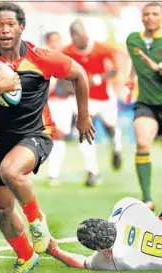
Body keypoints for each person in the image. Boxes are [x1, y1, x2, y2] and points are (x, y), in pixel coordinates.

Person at [0, 2, 94, 272]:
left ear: (21, 28)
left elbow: (80, 75)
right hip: (2, 139)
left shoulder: (42, 56)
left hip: (37, 134)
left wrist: (83, 116)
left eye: (10, 24)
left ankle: (37, 224)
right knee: (1, 209)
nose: (5, 29)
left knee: (10, 171)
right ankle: (26, 256)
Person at [125, 2, 162, 210]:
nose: (150, 17)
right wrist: (130, 78)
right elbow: (137, 63)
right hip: (146, 104)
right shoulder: (132, 40)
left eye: (155, 14)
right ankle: (147, 199)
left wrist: (159, 69)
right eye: (146, 14)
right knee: (143, 143)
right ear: (141, 17)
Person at [63, 20, 123, 187]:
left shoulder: (102, 49)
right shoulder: (67, 52)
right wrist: (72, 87)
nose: (75, 39)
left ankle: (116, 148)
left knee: (110, 127)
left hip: (104, 96)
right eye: (72, 36)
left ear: (85, 35)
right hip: (85, 99)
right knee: (85, 131)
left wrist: (97, 78)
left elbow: (114, 69)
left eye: (78, 35)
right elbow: (63, 75)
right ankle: (92, 171)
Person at [47, 197, 162, 270]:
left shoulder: (115, 259)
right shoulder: (126, 206)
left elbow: (82, 262)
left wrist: (54, 251)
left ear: (98, 248)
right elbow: (147, 213)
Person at [44, 31, 75, 186]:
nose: (55, 44)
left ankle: (53, 173)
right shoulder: (40, 60)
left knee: (59, 135)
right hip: (46, 102)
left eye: (58, 40)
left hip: (63, 102)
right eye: (52, 41)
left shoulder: (67, 60)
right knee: (45, 135)